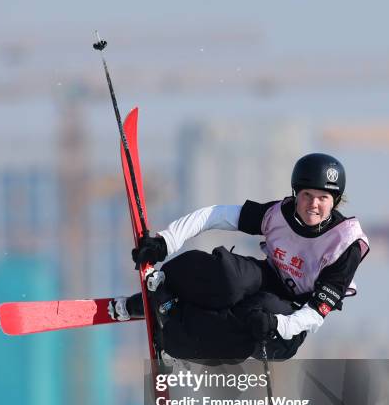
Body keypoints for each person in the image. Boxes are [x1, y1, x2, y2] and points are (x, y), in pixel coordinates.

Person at [108, 153, 369, 363]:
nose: (314, 204)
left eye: (323, 198)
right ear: (296, 194)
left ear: (335, 202)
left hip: (293, 315)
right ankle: (164, 291)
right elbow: (215, 215)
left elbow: (315, 314)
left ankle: (172, 333)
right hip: (268, 276)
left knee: (253, 319)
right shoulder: (279, 214)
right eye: (307, 196)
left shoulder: (345, 245)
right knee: (231, 277)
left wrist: (279, 324)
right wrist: (165, 241)